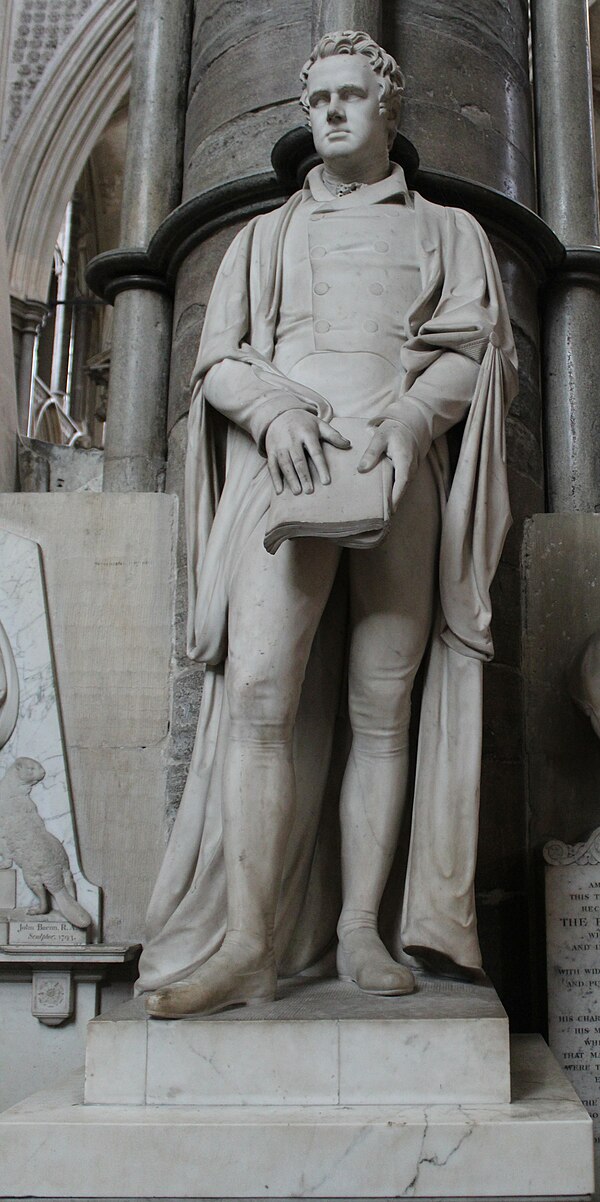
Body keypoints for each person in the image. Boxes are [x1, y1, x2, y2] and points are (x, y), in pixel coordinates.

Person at [138, 30, 518, 1018]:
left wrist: (402, 418)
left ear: (390, 109)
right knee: (262, 694)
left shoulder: (448, 233)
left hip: (399, 473)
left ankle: (360, 927)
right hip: (289, 472)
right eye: (320, 100)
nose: (333, 114)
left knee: (380, 707)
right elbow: (217, 359)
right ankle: (249, 940)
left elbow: (474, 351)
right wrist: (274, 413)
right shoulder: (265, 237)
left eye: (353, 96)